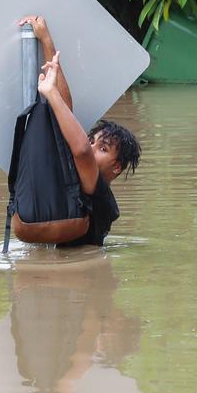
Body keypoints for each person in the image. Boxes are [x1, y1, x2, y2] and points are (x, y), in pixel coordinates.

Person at [15, 15, 141, 248]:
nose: (92, 147)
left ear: (116, 167)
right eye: (93, 141)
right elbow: (66, 109)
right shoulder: (76, 177)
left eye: (102, 148)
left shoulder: (100, 194)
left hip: (81, 278)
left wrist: (50, 94)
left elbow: (82, 150)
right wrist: (46, 41)